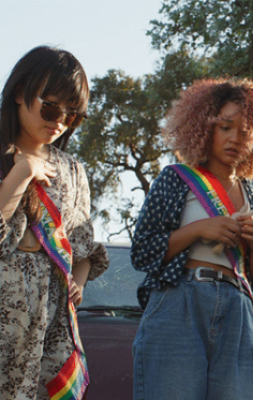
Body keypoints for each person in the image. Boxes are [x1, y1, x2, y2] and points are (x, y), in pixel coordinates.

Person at [130, 78, 253, 400]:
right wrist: (198, 230)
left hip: (239, 308)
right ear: (205, 127)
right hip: (179, 301)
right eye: (225, 127)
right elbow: (143, 253)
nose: (235, 139)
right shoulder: (175, 178)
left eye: (246, 132)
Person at [0, 46, 109, 400]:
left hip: (52, 322)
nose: (59, 121)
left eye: (72, 116)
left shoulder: (73, 171)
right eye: (50, 107)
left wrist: (76, 286)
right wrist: (21, 174)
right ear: (20, 93)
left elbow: (83, 246)